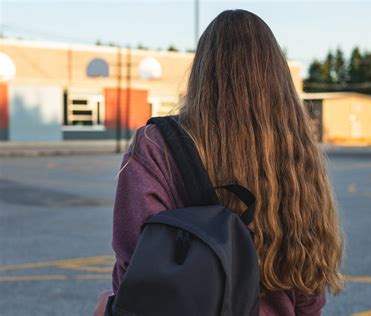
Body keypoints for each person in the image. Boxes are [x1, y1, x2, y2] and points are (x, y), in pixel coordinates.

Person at [94, 9, 344, 316]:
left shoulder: (156, 144)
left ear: (202, 70)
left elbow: (134, 267)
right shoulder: (294, 149)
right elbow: (309, 286)